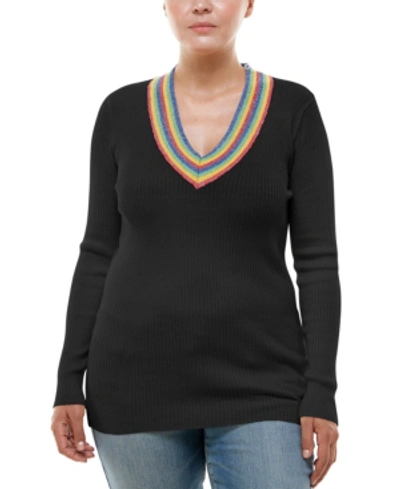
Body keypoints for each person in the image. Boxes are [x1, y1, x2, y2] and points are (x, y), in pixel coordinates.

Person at [51, 1, 341, 488]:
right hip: (132, 386)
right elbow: (98, 252)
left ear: (250, 4)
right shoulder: (120, 111)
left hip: (264, 383)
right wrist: (67, 382)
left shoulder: (294, 109)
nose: (201, 4)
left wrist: (321, 391)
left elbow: (317, 263)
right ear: (163, 4)